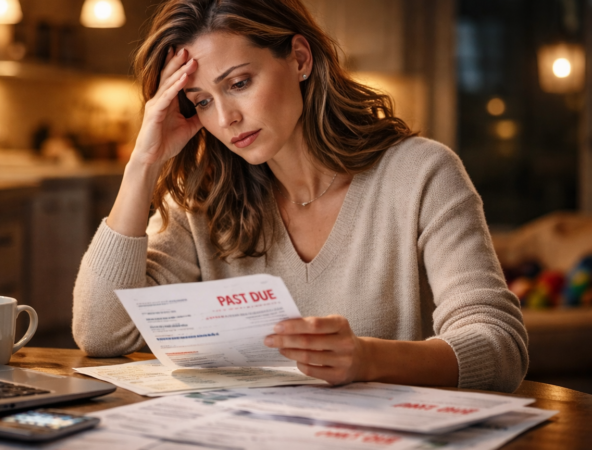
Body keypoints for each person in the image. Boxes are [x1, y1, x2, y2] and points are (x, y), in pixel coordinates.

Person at [72, 0, 528, 392]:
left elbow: (500, 345)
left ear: (300, 58)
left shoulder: (421, 174)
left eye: (239, 83)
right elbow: (102, 332)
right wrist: (143, 164)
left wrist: (369, 361)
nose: (227, 117)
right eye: (202, 101)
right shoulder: (205, 194)